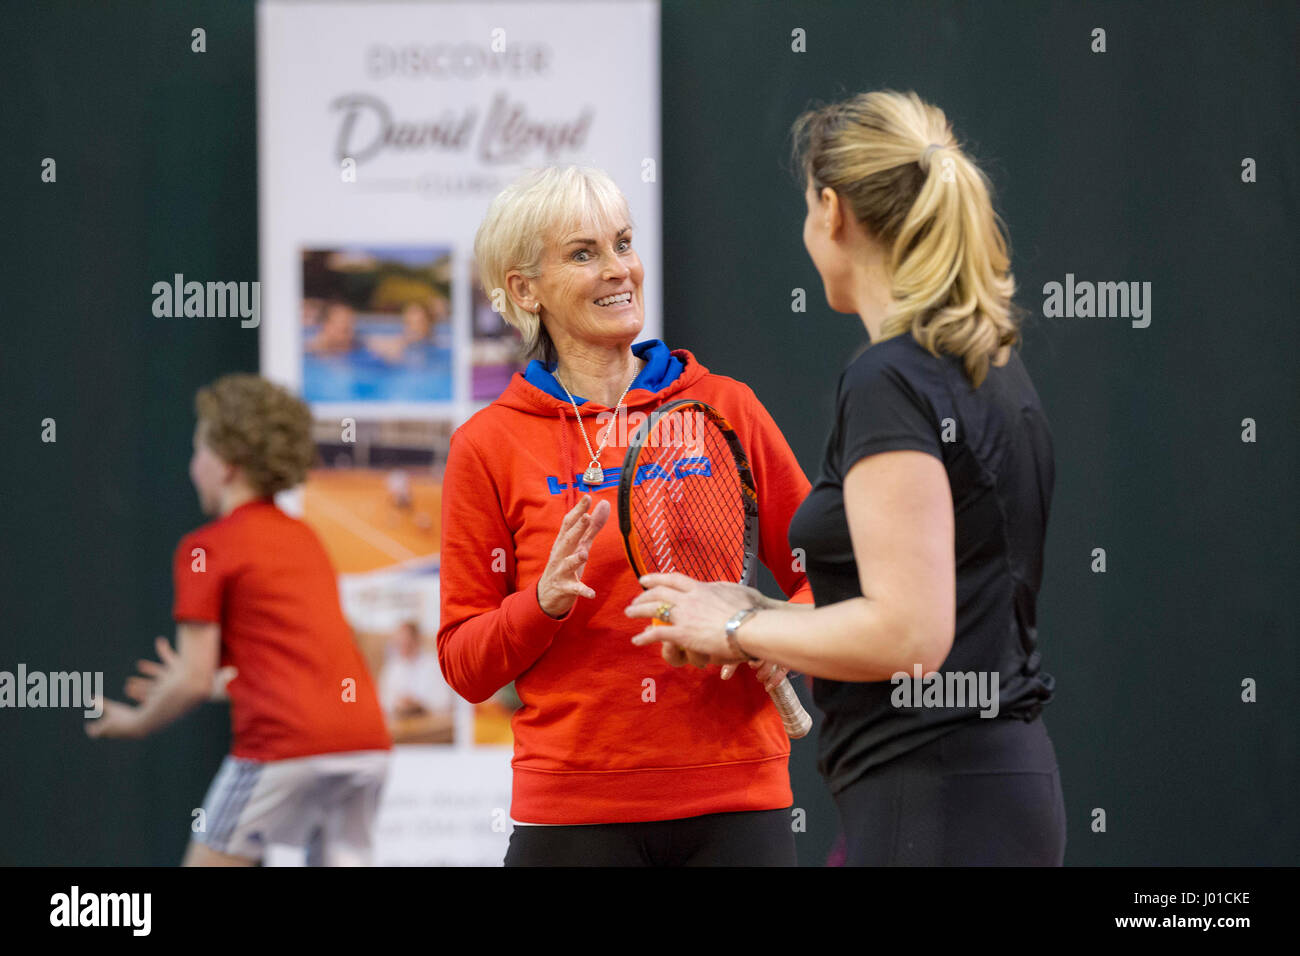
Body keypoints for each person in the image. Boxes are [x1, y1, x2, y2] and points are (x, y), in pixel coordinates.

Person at [627, 90, 1066, 866]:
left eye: (805, 207)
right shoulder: (990, 366)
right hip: (976, 796)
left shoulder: (889, 377)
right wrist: (756, 607)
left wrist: (729, 629)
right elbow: (934, 605)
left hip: (933, 806)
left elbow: (908, 635)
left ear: (832, 212)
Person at [438, 165, 815, 866]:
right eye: (583, 253)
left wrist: (772, 630)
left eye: (623, 243)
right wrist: (540, 604)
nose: (619, 270)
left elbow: (828, 574)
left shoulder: (726, 406)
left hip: (737, 803)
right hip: (573, 816)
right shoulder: (486, 444)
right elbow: (464, 665)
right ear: (525, 289)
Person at [87, 374, 392, 866]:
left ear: (226, 464)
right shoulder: (304, 539)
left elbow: (188, 679)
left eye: (197, 450)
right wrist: (222, 686)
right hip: (366, 749)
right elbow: (350, 651)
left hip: (282, 748)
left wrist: (136, 721)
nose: (192, 466)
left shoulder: (206, 549)